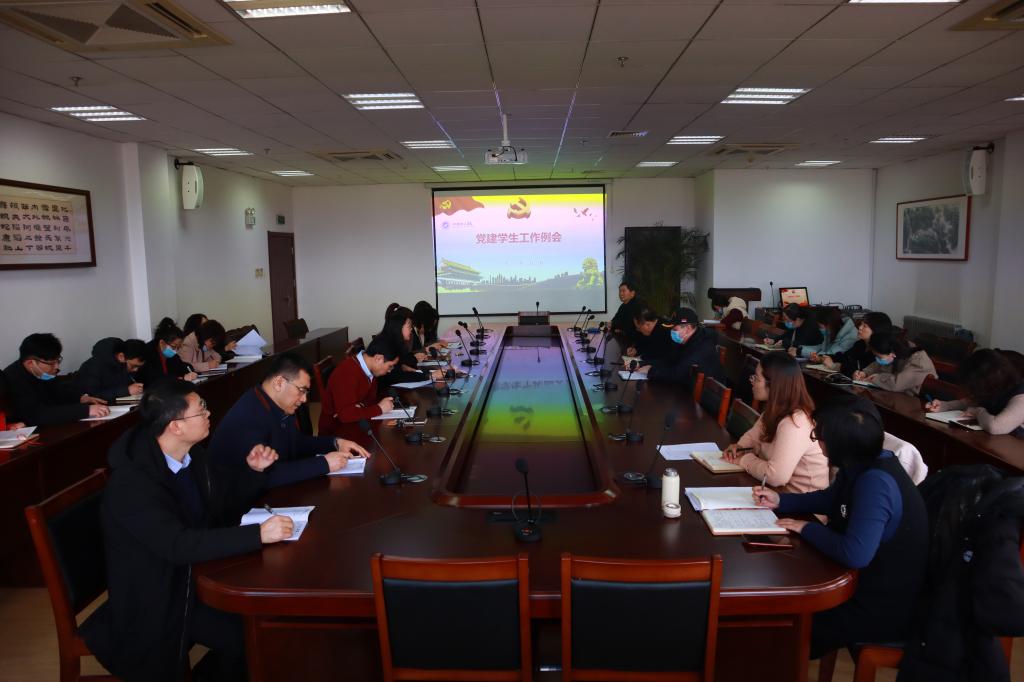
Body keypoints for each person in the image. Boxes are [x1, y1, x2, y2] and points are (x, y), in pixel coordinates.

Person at [82, 379, 292, 682]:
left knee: (263, 618)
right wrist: (256, 535)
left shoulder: (191, 457)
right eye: (201, 410)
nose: (209, 414)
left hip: (194, 576)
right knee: (252, 633)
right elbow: (177, 545)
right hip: (159, 595)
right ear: (176, 426)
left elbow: (221, 504)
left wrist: (253, 472)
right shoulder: (133, 483)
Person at [753, 394, 928, 659]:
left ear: (839, 443)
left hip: (877, 605)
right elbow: (831, 499)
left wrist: (806, 528)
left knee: (780, 625)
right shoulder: (861, 462)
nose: (816, 441)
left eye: (819, 436)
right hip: (856, 581)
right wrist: (781, 500)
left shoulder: (877, 483)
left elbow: (855, 553)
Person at [209, 353, 370, 491]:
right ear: (279, 383)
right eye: (301, 390)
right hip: (239, 506)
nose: (304, 399)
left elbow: (295, 443)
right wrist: (324, 464)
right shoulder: (248, 416)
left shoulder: (275, 404)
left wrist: (335, 442)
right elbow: (266, 474)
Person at [722, 351, 828, 493]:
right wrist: (739, 448)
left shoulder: (796, 422)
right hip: (775, 493)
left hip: (801, 501)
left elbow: (776, 476)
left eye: (756, 378)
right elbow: (752, 439)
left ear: (774, 385)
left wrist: (743, 459)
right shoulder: (774, 410)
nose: (752, 381)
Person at [3, 333, 109, 425]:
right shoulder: (12, 379)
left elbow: (58, 392)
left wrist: (81, 398)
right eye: (51, 363)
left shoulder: (42, 373)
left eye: (58, 361)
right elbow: (36, 415)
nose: (57, 367)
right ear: (31, 363)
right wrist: (85, 410)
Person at [926, 348, 1024, 437]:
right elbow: (968, 403)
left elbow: (995, 426)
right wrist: (944, 405)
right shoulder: (995, 386)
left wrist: (977, 412)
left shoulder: (1020, 396)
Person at [319, 335, 401, 437]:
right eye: (390, 366)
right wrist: (379, 408)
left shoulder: (369, 369)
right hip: (336, 434)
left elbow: (370, 400)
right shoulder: (347, 372)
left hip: (355, 425)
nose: (389, 371)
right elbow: (346, 415)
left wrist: (360, 407)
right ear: (378, 358)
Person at [634, 308, 725, 391]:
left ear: (688, 328)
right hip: (689, 389)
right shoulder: (686, 341)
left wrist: (651, 371)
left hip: (706, 398)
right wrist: (642, 364)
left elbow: (678, 374)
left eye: (675, 328)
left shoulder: (703, 346)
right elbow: (669, 360)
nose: (672, 331)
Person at [855, 326, 936, 396]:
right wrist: (864, 373)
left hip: (919, 402)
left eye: (879, 357)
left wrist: (874, 378)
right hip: (897, 397)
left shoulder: (918, 360)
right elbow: (878, 366)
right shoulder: (896, 352)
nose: (877, 359)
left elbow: (896, 384)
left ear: (893, 354)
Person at [375, 308, 442, 393]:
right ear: (399, 326)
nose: (411, 329)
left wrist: (402, 366)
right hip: (384, 393)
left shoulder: (394, 341)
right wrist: (429, 376)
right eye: (409, 326)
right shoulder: (385, 344)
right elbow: (396, 376)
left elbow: (402, 360)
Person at [76, 337, 147, 403]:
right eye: (133, 366)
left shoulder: (124, 365)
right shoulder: (93, 366)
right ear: (121, 356)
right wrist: (126, 391)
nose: (136, 370)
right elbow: (91, 396)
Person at [821, 312, 891, 374]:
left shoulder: (880, 350)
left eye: (865, 326)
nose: (860, 327)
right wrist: (823, 357)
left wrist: (834, 366)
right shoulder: (860, 344)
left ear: (876, 330)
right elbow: (845, 357)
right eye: (861, 324)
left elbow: (860, 369)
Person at [138, 318, 197, 385]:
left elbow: (183, 366)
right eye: (173, 346)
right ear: (162, 343)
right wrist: (181, 378)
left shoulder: (171, 355)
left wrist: (191, 372)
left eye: (178, 348)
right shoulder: (147, 353)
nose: (175, 351)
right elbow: (153, 378)